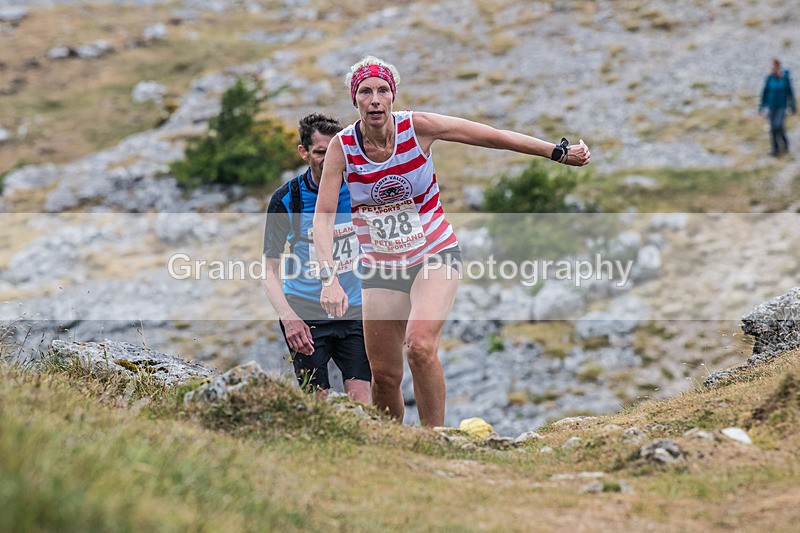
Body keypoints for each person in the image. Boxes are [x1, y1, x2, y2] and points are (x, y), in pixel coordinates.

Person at [312, 56, 590, 427]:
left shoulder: (419, 127)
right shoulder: (342, 148)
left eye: (382, 91)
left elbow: (490, 136)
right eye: (366, 92)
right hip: (381, 266)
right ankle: (394, 449)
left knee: (421, 346)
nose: (375, 99)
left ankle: (435, 441)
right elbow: (323, 217)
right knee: (385, 377)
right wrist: (330, 277)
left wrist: (555, 152)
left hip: (434, 253)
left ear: (393, 96)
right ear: (355, 100)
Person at [262, 113, 371, 403]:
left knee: (363, 400)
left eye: (334, 152)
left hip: (354, 310)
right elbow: (268, 270)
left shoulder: (359, 189)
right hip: (305, 313)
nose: (328, 159)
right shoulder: (288, 199)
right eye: (320, 152)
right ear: (304, 152)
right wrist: (289, 319)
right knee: (317, 402)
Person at [760, 58, 796, 157]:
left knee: (778, 125)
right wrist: (762, 106)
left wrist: (792, 106)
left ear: (778, 66)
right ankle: (775, 149)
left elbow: (790, 92)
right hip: (771, 106)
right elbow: (765, 92)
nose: (772, 68)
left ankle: (785, 143)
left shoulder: (784, 78)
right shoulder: (769, 78)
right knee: (772, 128)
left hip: (781, 106)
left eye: (774, 66)